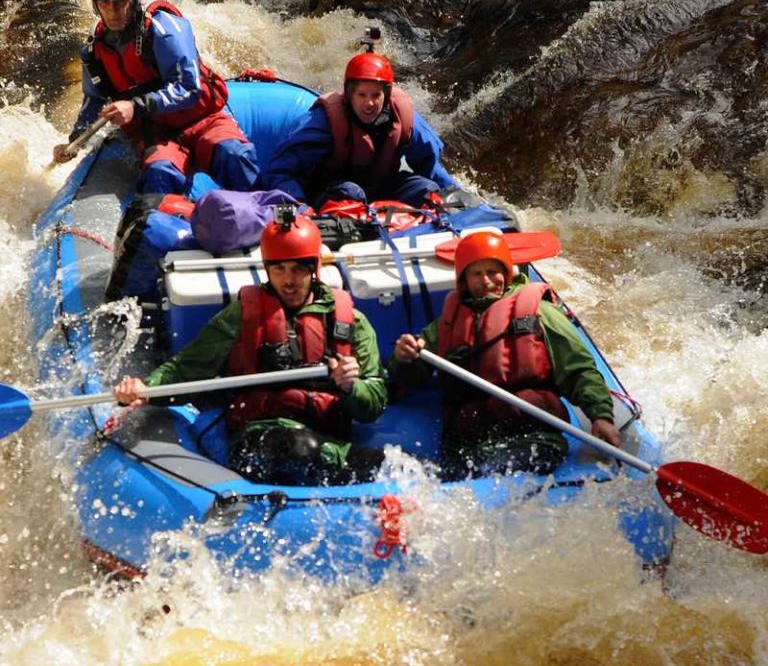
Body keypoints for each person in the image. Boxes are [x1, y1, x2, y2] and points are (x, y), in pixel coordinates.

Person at [113, 213, 388, 485]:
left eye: (298, 269)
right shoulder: (242, 315)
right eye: (279, 269)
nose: (288, 281)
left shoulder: (350, 322)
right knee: (300, 447)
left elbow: (374, 402)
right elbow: (188, 368)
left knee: (385, 464)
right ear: (267, 269)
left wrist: (351, 387)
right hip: (259, 435)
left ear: (314, 268)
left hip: (327, 437)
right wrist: (147, 388)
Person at [389, 230, 622, 478]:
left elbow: (577, 370)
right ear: (464, 281)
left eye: (492, 272)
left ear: (506, 273)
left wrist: (600, 416)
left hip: (532, 437)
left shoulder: (540, 312)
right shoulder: (446, 324)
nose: (486, 281)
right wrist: (404, 358)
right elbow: (411, 379)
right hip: (467, 444)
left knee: (493, 471)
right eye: (476, 274)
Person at [52, 0, 260, 196]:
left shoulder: (164, 28)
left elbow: (189, 88)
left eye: (120, 2)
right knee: (159, 174)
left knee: (234, 156)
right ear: (95, 5)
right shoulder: (93, 50)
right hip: (155, 131)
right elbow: (93, 99)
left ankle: (266, 208)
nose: (113, 11)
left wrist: (135, 106)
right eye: (105, 3)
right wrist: (75, 141)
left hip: (201, 119)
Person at [266, 49, 459, 211]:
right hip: (333, 193)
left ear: (386, 95)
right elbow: (283, 170)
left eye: (376, 95)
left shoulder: (402, 116)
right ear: (350, 95)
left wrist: (456, 195)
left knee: (427, 189)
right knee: (351, 192)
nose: (369, 103)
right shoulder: (324, 121)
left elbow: (430, 165)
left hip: (381, 189)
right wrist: (298, 207)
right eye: (362, 95)